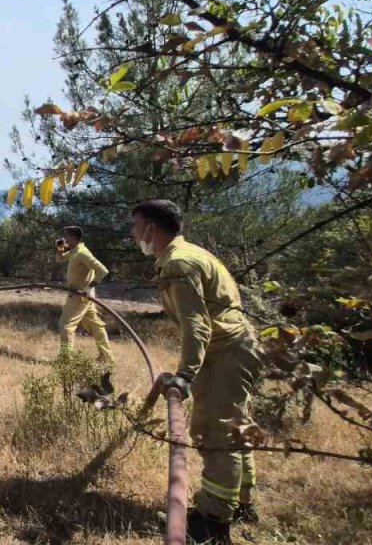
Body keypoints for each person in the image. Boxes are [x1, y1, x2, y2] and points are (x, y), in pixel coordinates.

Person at [133, 200, 261, 544]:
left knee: (216, 433)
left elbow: (196, 324)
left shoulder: (180, 263)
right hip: (235, 347)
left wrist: (185, 374)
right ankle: (242, 503)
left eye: (136, 226)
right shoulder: (186, 254)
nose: (133, 234)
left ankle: (212, 522)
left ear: (151, 229)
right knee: (235, 427)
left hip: (225, 353)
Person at [55, 226, 114, 368]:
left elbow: (103, 270)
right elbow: (60, 260)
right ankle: (107, 357)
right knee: (96, 326)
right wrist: (60, 249)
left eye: (66, 236)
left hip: (79, 296)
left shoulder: (82, 253)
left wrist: (88, 288)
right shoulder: (75, 251)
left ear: (74, 237)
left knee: (66, 325)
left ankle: (65, 361)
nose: (64, 238)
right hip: (84, 296)